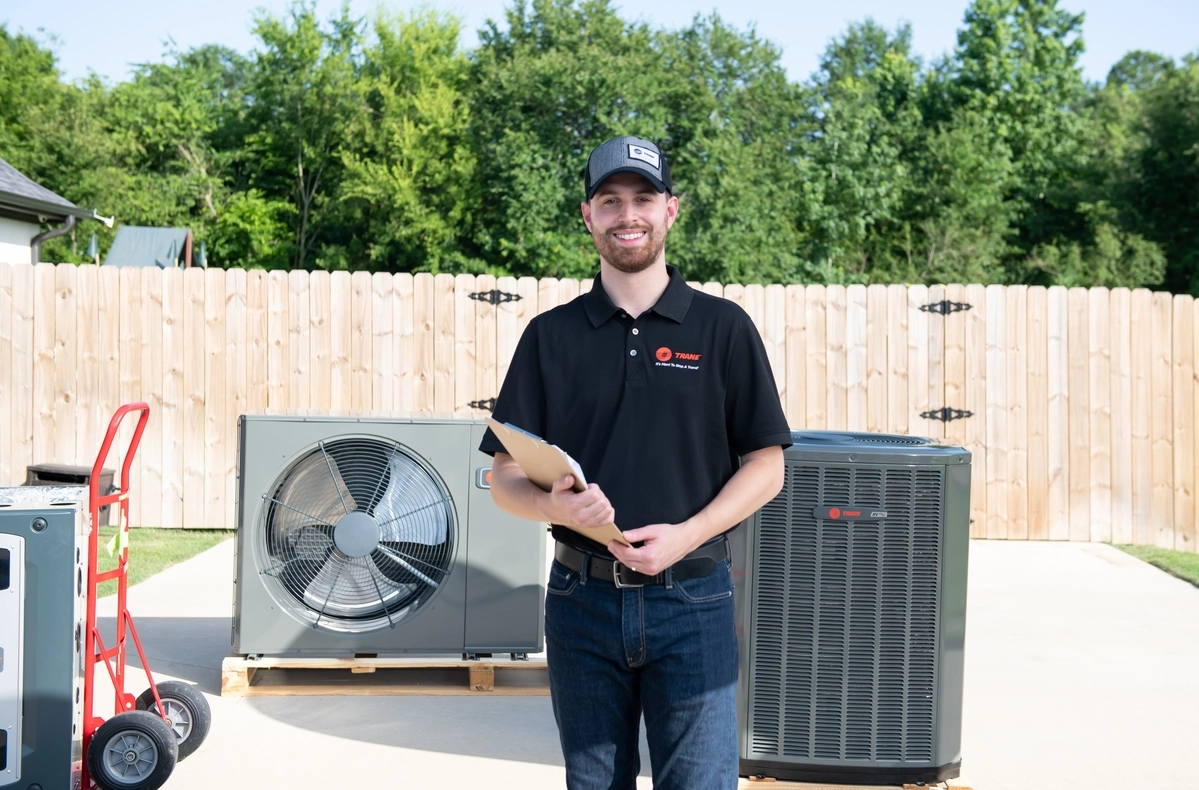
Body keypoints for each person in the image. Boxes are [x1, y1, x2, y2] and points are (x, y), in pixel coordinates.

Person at [478, 135, 792, 790]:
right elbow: (502, 476)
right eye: (610, 200)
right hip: (579, 602)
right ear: (587, 216)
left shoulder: (722, 329)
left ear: (670, 210)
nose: (628, 215)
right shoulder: (550, 337)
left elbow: (767, 465)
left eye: (643, 198)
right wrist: (549, 505)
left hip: (694, 598)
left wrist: (688, 535)